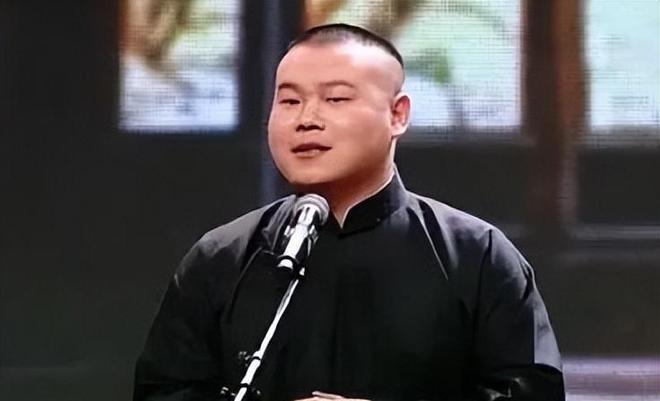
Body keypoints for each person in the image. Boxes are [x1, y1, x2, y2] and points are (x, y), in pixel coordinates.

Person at [133, 23, 565, 401]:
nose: (306, 119)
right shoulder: (221, 258)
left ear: (397, 115)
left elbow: (533, 392)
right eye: (289, 101)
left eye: (335, 99)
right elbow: (164, 390)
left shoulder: (478, 256)